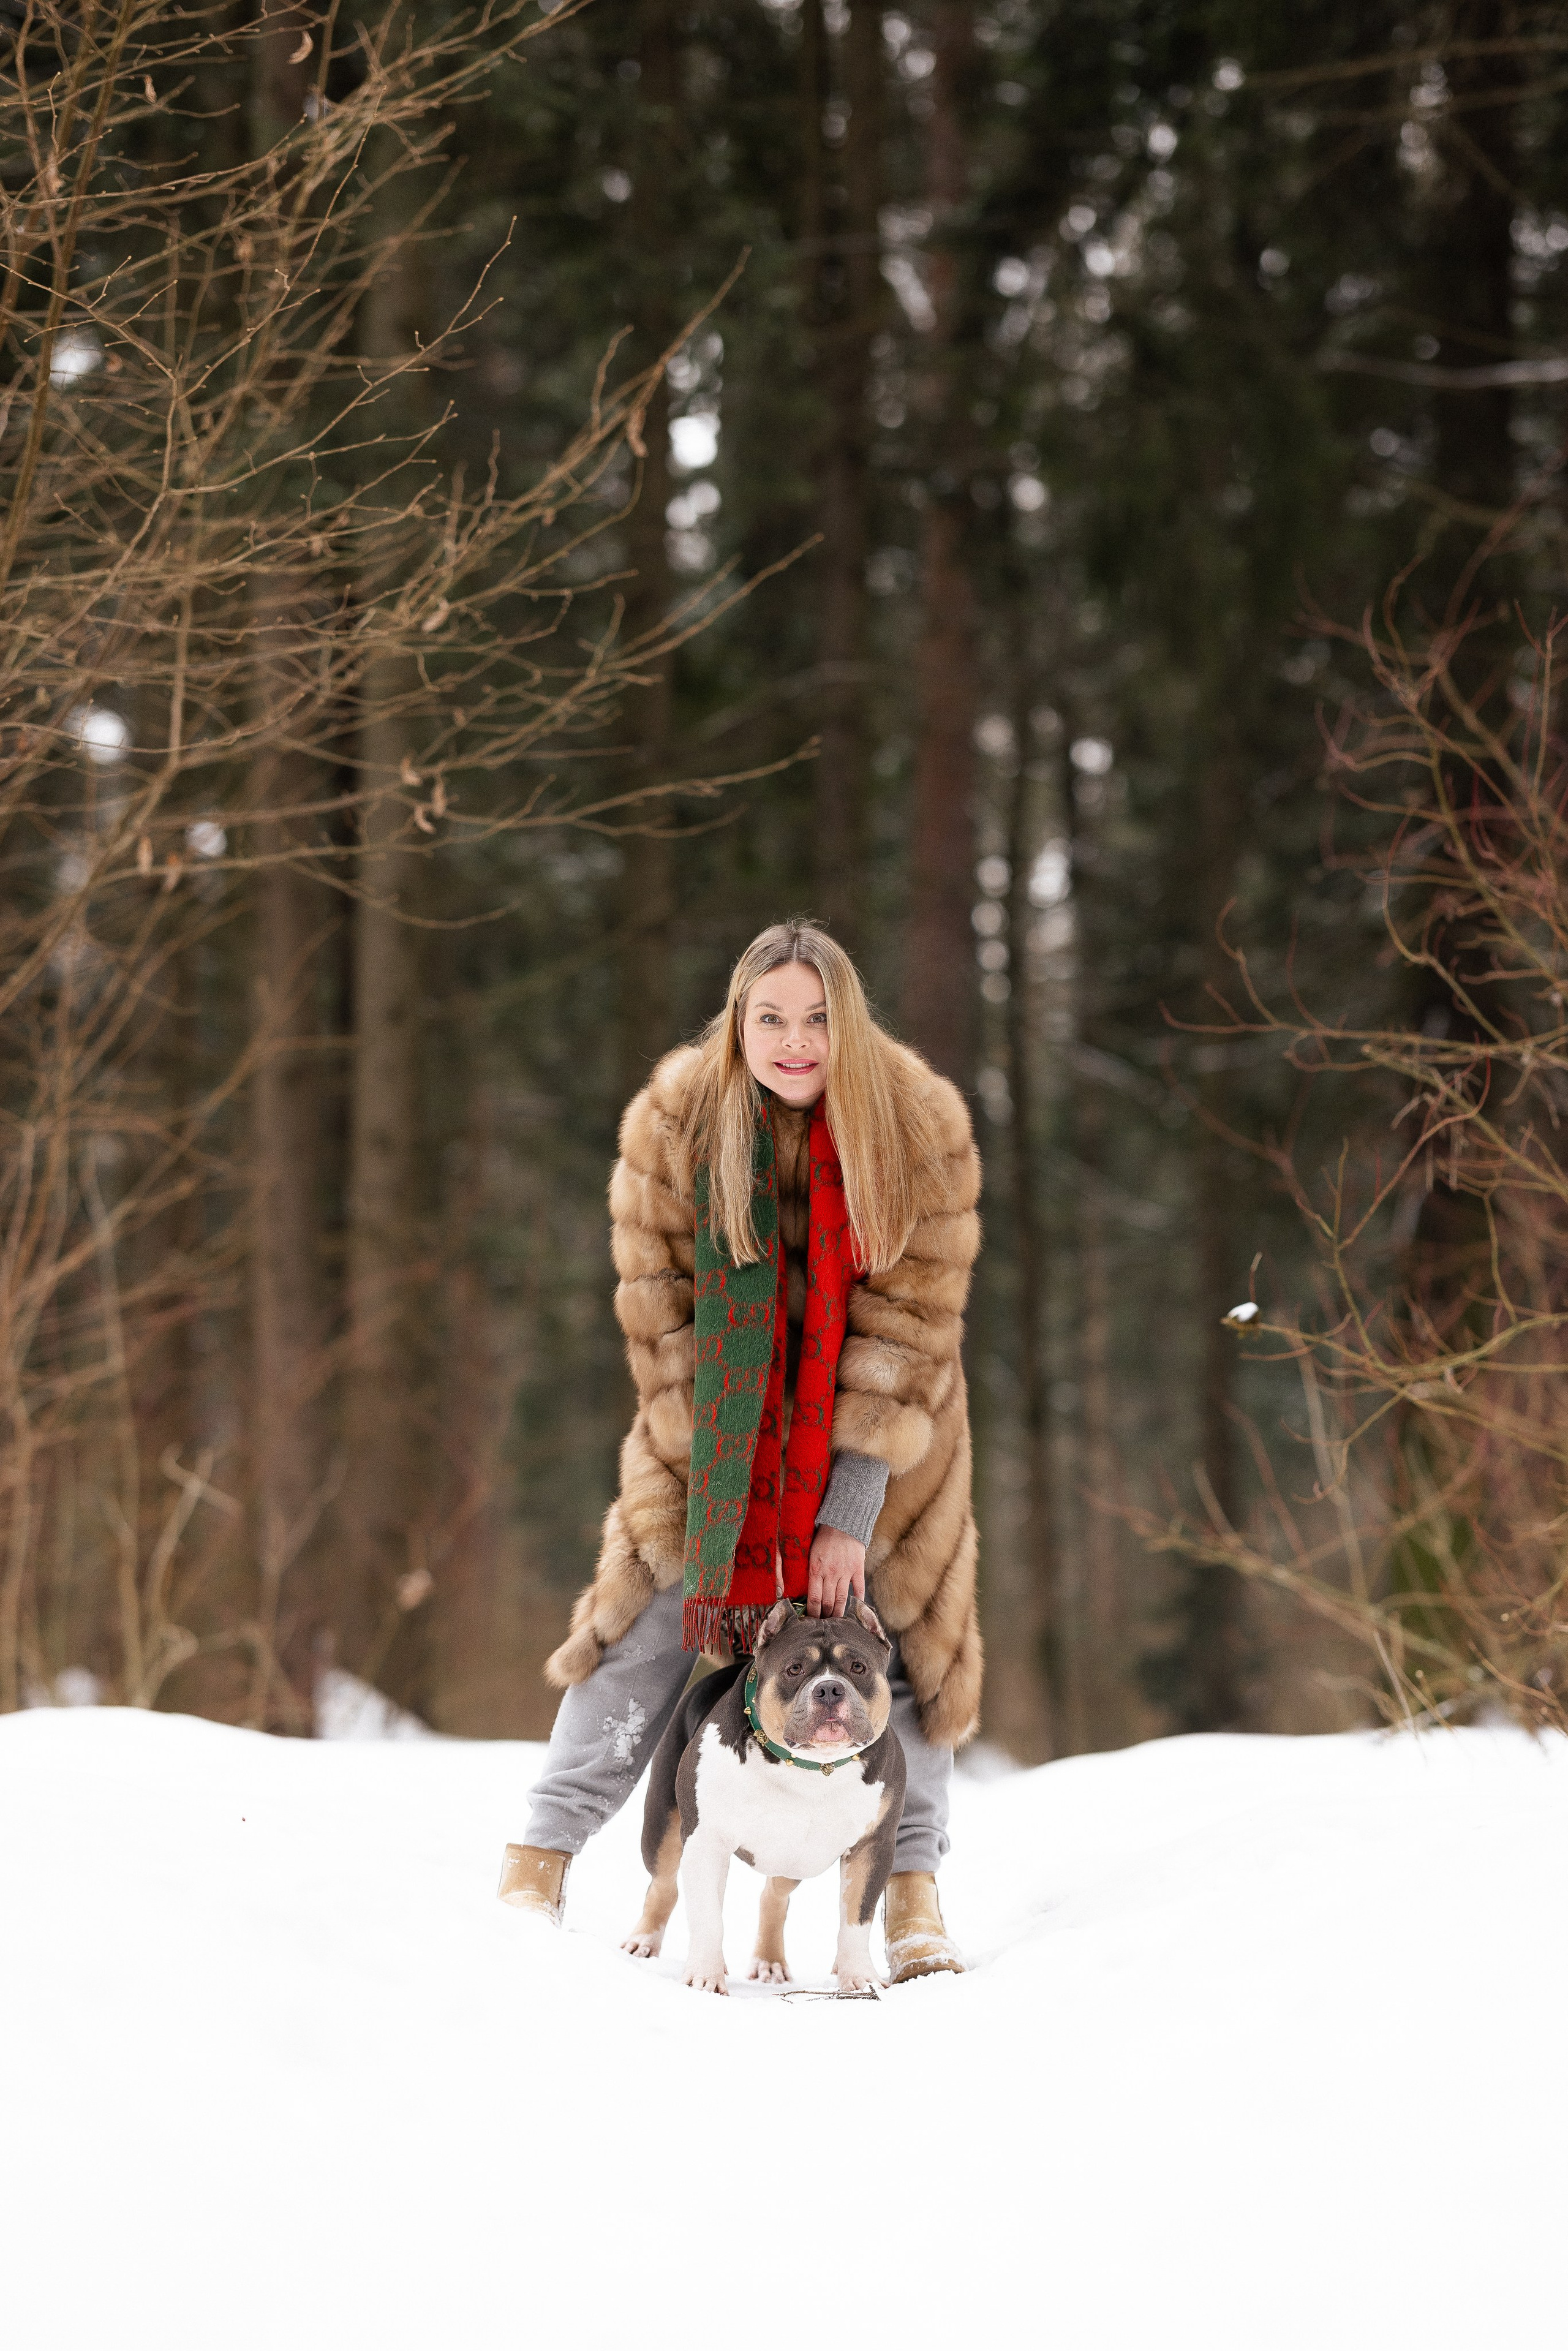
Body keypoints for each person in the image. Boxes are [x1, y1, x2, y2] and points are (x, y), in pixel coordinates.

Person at [497, 919, 982, 1982]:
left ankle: (910, 1891)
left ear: (846, 1023)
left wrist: (844, 1515)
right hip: (711, 1437)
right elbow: (660, 1319)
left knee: (898, 1638)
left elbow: (911, 1332)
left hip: (888, 1448)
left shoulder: (917, 1129)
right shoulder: (676, 1124)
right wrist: (735, 1508)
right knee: (650, 1620)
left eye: (817, 1019)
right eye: (772, 1018)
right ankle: (539, 1858)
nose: (795, 1041)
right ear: (739, 1020)